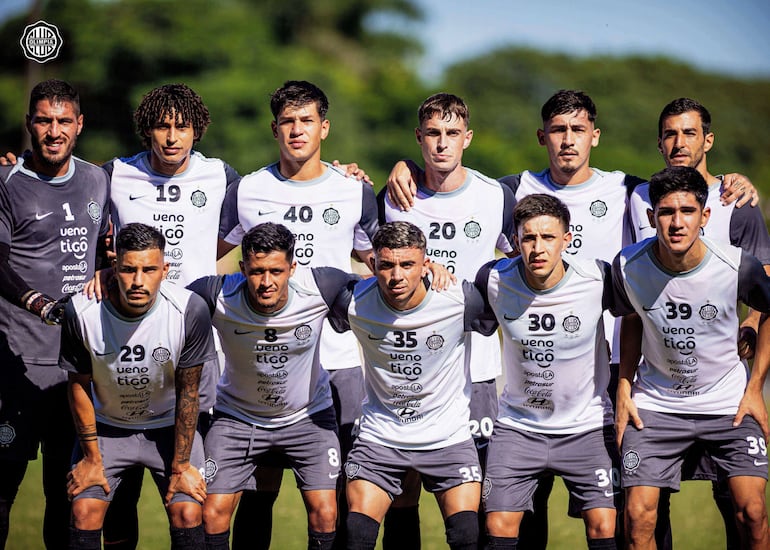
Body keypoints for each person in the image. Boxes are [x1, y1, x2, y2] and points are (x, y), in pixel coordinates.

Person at [385, 89, 759, 550]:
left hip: (616, 368)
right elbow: (450, 183)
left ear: (594, 137)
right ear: (542, 136)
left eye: (577, 130)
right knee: (526, 505)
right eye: (558, 130)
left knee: (637, 506)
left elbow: (682, 189)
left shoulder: (629, 190)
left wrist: (730, 180)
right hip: (535, 375)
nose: (567, 141)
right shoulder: (511, 190)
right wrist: (404, 167)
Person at [217, 80, 379, 549]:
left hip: (338, 357)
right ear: (274, 129)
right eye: (287, 121)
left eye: (306, 120)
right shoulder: (247, 189)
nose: (296, 130)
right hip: (267, 360)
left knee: (348, 485)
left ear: (324, 127)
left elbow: (378, 265)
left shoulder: (354, 191)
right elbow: (209, 254)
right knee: (260, 487)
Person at [626, 97, 770, 549]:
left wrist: (749, 327)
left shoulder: (736, 200)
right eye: (670, 134)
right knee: (645, 513)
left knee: (739, 505)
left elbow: (762, 282)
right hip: (658, 376)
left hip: (723, 372)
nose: (679, 142)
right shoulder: (635, 194)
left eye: (689, 133)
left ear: (708, 140)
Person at [376, 92, 515, 547]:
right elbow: (367, 262)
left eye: (452, 134)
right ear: (418, 138)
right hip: (407, 367)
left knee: (478, 503)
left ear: (467, 138)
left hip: (476, 371)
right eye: (433, 134)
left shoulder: (495, 196)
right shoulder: (394, 196)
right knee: (403, 493)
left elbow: (527, 268)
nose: (442, 144)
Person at [319, 220, 497, 550]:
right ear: (373, 263)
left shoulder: (461, 300)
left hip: (448, 438)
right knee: (355, 533)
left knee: (468, 535)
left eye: (407, 265)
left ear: (425, 263)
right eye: (386, 265)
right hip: (381, 438)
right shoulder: (355, 301)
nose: (396, 276)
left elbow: (516, 280)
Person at [0, 79, 110, 550]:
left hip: (78, 369)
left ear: (79, 125)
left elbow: (109, 252)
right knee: (2, 492)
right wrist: (40, 305)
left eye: (64, 121)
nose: (53, 130)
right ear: (29, 124)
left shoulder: (98, 179)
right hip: (16, 364)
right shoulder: (6, 182)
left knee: (63, 494)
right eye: (44, 120)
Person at [60, 223, 215, 550]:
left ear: (165, 270)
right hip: (108, 428)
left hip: (167, 429)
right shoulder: (81, 311)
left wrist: (182, 465)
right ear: (113, 267)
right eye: (129, 269)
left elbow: (189, 393)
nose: (139, 281)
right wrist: (90, 457)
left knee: (188, 512)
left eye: (149, 269)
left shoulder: (189, 310)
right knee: (84, 510)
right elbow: (78, 387)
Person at [477, 193, 619, 550]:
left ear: (567, 240)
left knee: (605, 524)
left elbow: (639, 315)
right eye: (528, 238)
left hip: (586, 426)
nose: (537, 248)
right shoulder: (494, 280)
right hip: (519, 428)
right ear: (516, 240)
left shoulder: (598, 278)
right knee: (498, 524)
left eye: (548, 237)